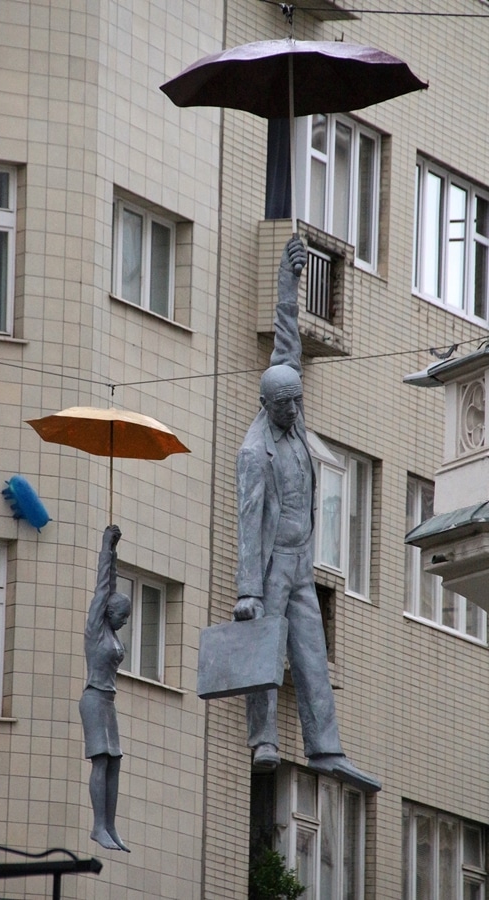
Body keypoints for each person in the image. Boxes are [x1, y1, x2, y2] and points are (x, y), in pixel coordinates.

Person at [233, 237, 381, 793]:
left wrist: (288, 282)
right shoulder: (255, 451)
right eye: (287, 404)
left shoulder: (290, 413)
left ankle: (325, 747)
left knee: (311, 652)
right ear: (268, 404)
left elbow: (288, 336)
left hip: (300, 561)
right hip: (270, 564)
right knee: (263, 650)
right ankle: (264, 739)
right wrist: (248, 589)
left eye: (297, 401)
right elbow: (250, 521)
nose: (297, 409)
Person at [79, 524, 132, 851]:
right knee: (101, 760)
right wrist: (107, 547)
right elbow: (103, 587)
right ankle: (98, 826)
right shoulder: (97, 630)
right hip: (94, 698)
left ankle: (110, 825)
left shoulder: (111, 635)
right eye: (124, 616)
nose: (126, 621)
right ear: (109, 613)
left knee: (115, 760)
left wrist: (116, 553)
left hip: (107, 702)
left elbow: (111, 587)